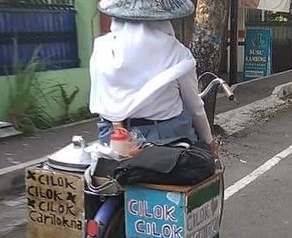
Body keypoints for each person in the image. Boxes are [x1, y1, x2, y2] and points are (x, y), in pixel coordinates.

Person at [89, 0, 217, 152]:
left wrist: (118, 125)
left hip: (112, 136)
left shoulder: (101, 48)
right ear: (162, 20)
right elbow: (194, 106)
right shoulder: (178, 53)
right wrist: (208, 141)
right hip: (167, 137)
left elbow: (104, 98)